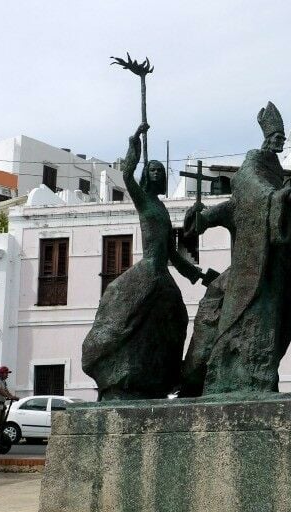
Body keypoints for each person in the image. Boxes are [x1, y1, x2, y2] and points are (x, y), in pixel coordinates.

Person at [181, 102, 291, 394]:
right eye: (275, 138)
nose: (279, 142)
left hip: (273, 264)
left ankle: (259, 376)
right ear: (265, 138)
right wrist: (285, 196)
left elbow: (274, 198)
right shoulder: (253, 164)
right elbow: (257, 191)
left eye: (281, 138)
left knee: (273, 323)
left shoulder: (275, 170)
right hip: (248, 268)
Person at [82, 123, 207, 400]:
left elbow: (172, 251)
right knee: (128, 322)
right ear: (146, 177)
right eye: (152, 170)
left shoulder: (160, 207)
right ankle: (115, 371)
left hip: (162, 272)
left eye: (160, 171)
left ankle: (162, 376)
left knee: (177, 319)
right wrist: (134, 144)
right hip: (148, 271)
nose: (156, 173)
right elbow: (126, 175)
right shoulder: (143, 200)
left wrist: (196, 275)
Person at [0, 366, 19, 435]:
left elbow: (6, 391)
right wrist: (9, 396)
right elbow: (1, 391)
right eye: (6, 373)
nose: (7, 375)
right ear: (1, 373)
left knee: (2, 423)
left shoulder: (4, 382)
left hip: (2, 404)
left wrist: (12, 397)